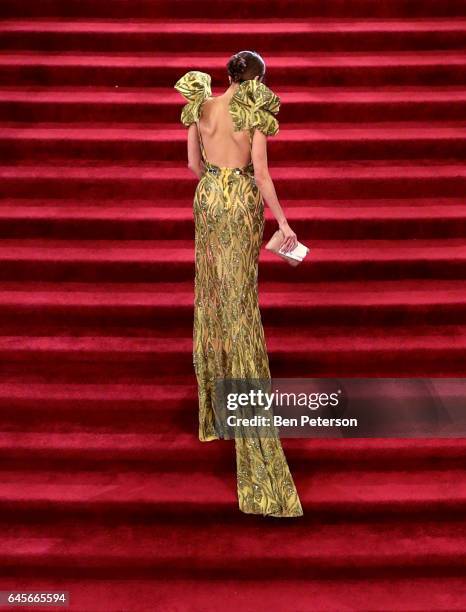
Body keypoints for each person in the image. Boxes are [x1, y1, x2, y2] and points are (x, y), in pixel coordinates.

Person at [174, 50, 303, 517]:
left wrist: (214, 182)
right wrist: (284, 225)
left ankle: (213, 405)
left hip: (207, 198)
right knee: (240, 299)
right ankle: (244, 396)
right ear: (259, 78)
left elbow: (192, 164)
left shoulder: (201, 103)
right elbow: (263, 176)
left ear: (226, 76)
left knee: (210, 294)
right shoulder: (253, 111)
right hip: (240, 199)